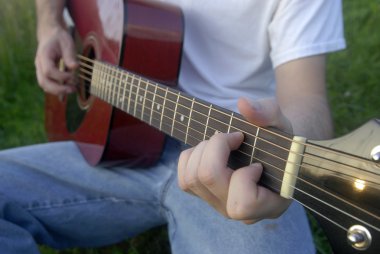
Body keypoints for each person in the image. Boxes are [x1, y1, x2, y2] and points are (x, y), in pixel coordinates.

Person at [0, 0, 345, 253]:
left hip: (234, 160)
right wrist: (50, 26)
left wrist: (288, 139)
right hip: (117, 140)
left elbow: (308, 100)